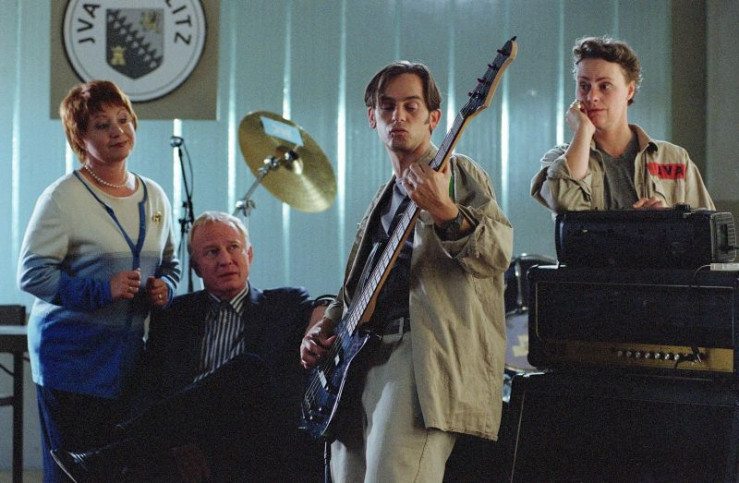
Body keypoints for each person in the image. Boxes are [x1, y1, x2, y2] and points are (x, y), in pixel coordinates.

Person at [300, 61, 513, 482]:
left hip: (419, 353)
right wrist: (324, 326)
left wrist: (445, 210)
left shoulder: (458, 173)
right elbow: (354, 290)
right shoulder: (381, 199)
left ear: (434, 118)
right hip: (358, 358)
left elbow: (497, 253)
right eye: (387, 107)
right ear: (372, 118)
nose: (397, 116)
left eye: (411, 107)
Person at [50, 211, 326, 482]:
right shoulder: (175, 315)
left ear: (249, 255)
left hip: (256, 435)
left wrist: (316, 326)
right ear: (196, 267)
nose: (225, 260)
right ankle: (122, 454)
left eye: (233, 247)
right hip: (189, 437)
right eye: (212, 252)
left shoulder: (285, 304)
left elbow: (329, 303)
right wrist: (176, 444)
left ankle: (113, 453)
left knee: (248, 368)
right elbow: (151, 386)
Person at [17, 80, 180, 482]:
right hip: (69, 359)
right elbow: (32, 274)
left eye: (123, 119)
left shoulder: (155, 196)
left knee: (121, 470)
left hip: (128, 360)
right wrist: (100, 290)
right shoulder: (62, 198)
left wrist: (165, 287)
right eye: (102, 125)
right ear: (80, 138)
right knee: (74, 471)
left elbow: (171, 264)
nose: (117, 131)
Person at [531, 36, 714, 213]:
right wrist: (583, 131)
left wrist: (667, 220)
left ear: (629, 91)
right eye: (584, 86)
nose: (592, 97)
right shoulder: (559, 158)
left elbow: (707, 227)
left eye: (605, 86)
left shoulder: (674, 158)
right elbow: (562, 202)